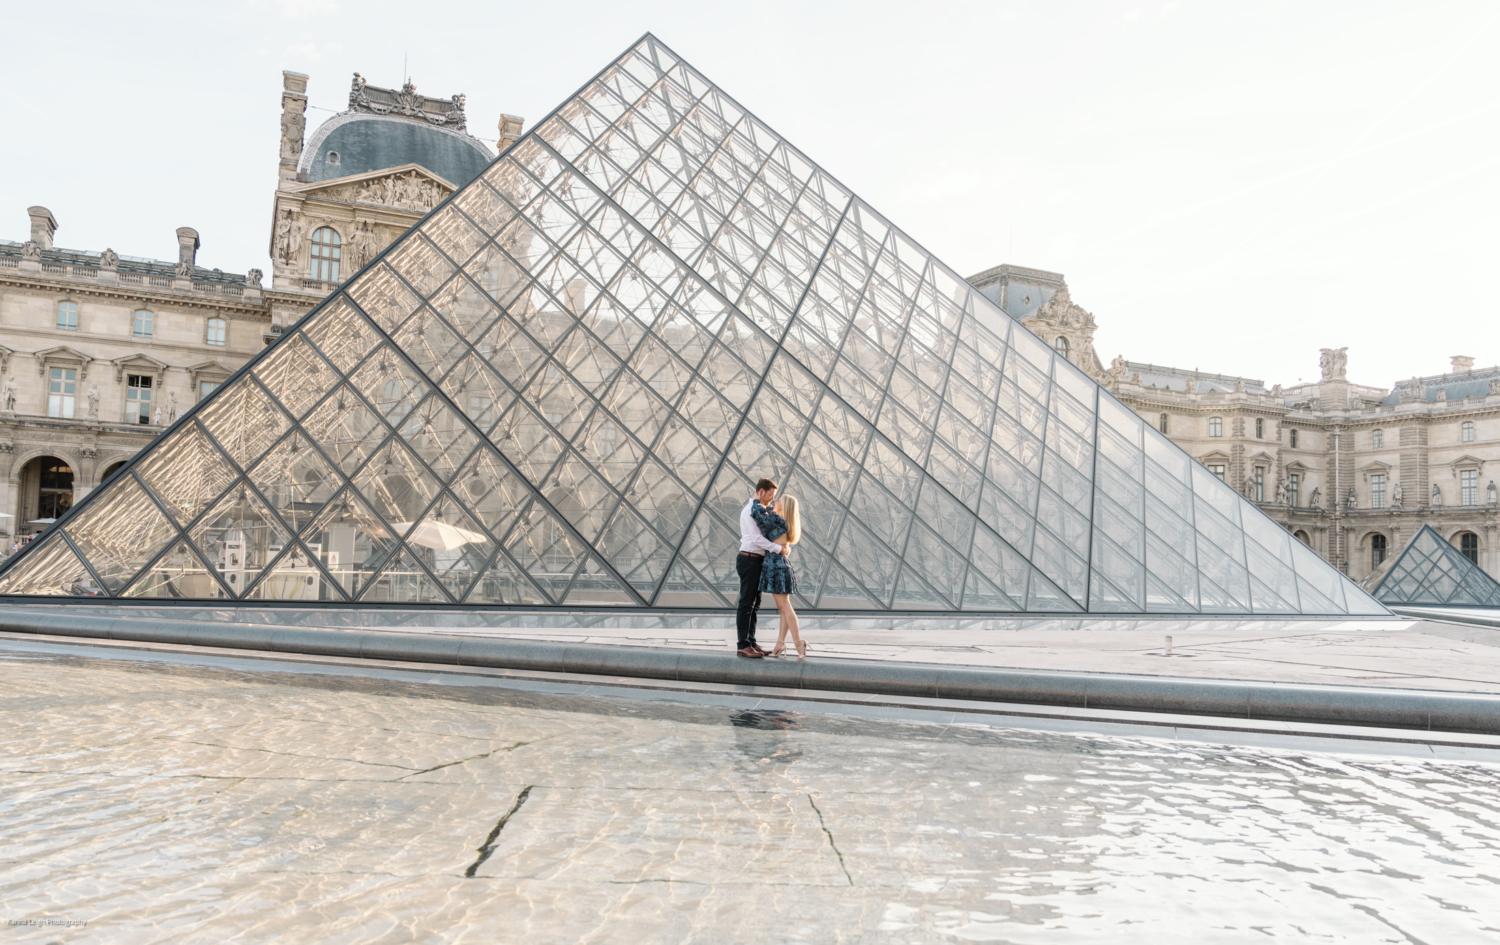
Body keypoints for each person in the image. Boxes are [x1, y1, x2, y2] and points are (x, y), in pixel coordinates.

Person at [750, 494, 804, 658]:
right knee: (783, 608)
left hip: (776, 566)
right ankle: (780, 644)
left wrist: (755, 500)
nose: (775, 501)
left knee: (785, 607)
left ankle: (798, 643)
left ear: (784, 506)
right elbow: (768, 512)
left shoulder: (778, 521)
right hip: (780, 564)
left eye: (779, 500)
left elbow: (759, 517)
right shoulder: (784, 521)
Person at [736, 478, 782, 658]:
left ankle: (751, 642)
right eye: (770, 495)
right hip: (749, 559)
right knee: (747, 603)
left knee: (755, 605)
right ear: (761, 491)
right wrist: (779, 549)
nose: (771, 499)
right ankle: (743, 644)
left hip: (756, 560)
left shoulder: (760, 510)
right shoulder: (750, 511)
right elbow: (756, 539)